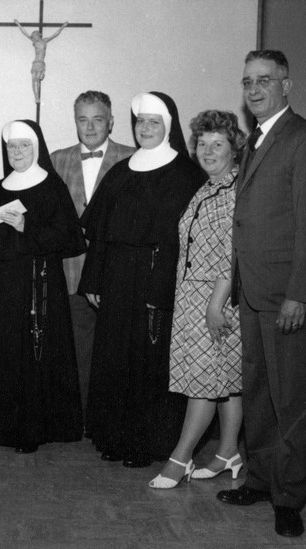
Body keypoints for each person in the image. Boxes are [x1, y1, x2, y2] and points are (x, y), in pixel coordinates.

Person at [217, 50, 306, 539]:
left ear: (287, 85)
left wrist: (299, 295)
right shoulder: (257, 141)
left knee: (296, 401)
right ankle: (263, 479)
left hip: (292, 299)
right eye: (247, 80)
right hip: (255, 294)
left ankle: (289, 499)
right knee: (261, 396)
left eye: (265, 80)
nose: (254, 89)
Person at [78, 92, 204, 468]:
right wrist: (94, 280)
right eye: (140, 122)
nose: (145, 129)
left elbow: (189, 241)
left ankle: (148, 443)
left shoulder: (187, 173)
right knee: (114, 357)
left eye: (154, 122)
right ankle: (113, 436)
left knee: (151, 362)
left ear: (168, 125)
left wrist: (165, 285)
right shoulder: (122, 170)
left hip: (157, 279)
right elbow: (99, 234)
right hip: (116, 279)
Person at [0, 119, 85, 453]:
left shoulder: (51, 186)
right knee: (4, 353)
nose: (17, 152)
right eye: (11, 146)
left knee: (34, 357)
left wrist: (27, 224)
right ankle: (0, 426)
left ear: (36, 148)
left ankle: (33, 430)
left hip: (40, 283)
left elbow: (71, 239)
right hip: (2, 288)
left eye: (24, 145)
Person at [148, 110, 245, 489]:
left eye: (217, 144)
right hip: (195, 297)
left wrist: (215, 305)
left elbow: (232, 255)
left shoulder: (235, 192)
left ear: (233, 148)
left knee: (202, 382)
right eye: (202, 144)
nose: (208, 151)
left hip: (215, 300)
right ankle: (228, 452)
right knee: (224, 379)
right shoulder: (208, 187)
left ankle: (180, 459)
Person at [50, 91, 135, 424]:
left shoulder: (133, 158)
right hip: (70, 272)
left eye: (97, 119)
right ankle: (82, 419)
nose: (90, 126)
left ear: (111, 121)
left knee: (117, 354)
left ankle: (112, 421)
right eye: (82, 119)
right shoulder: (56, 160)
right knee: (77, 351)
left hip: (117, 275)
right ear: (75, 122)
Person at [14, 19, 69, 104]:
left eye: (34, 35)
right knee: (33, 80)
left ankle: (38, 97)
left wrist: (62, 26)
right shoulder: (34, 42)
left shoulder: (44, 41)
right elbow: (25, 33)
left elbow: (55, 34)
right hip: (35, 63)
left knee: (38, 80)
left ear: (38, 34)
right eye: (32, 36)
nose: (33, 36)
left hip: (41, 63)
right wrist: (18, 24)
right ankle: (36, 97)